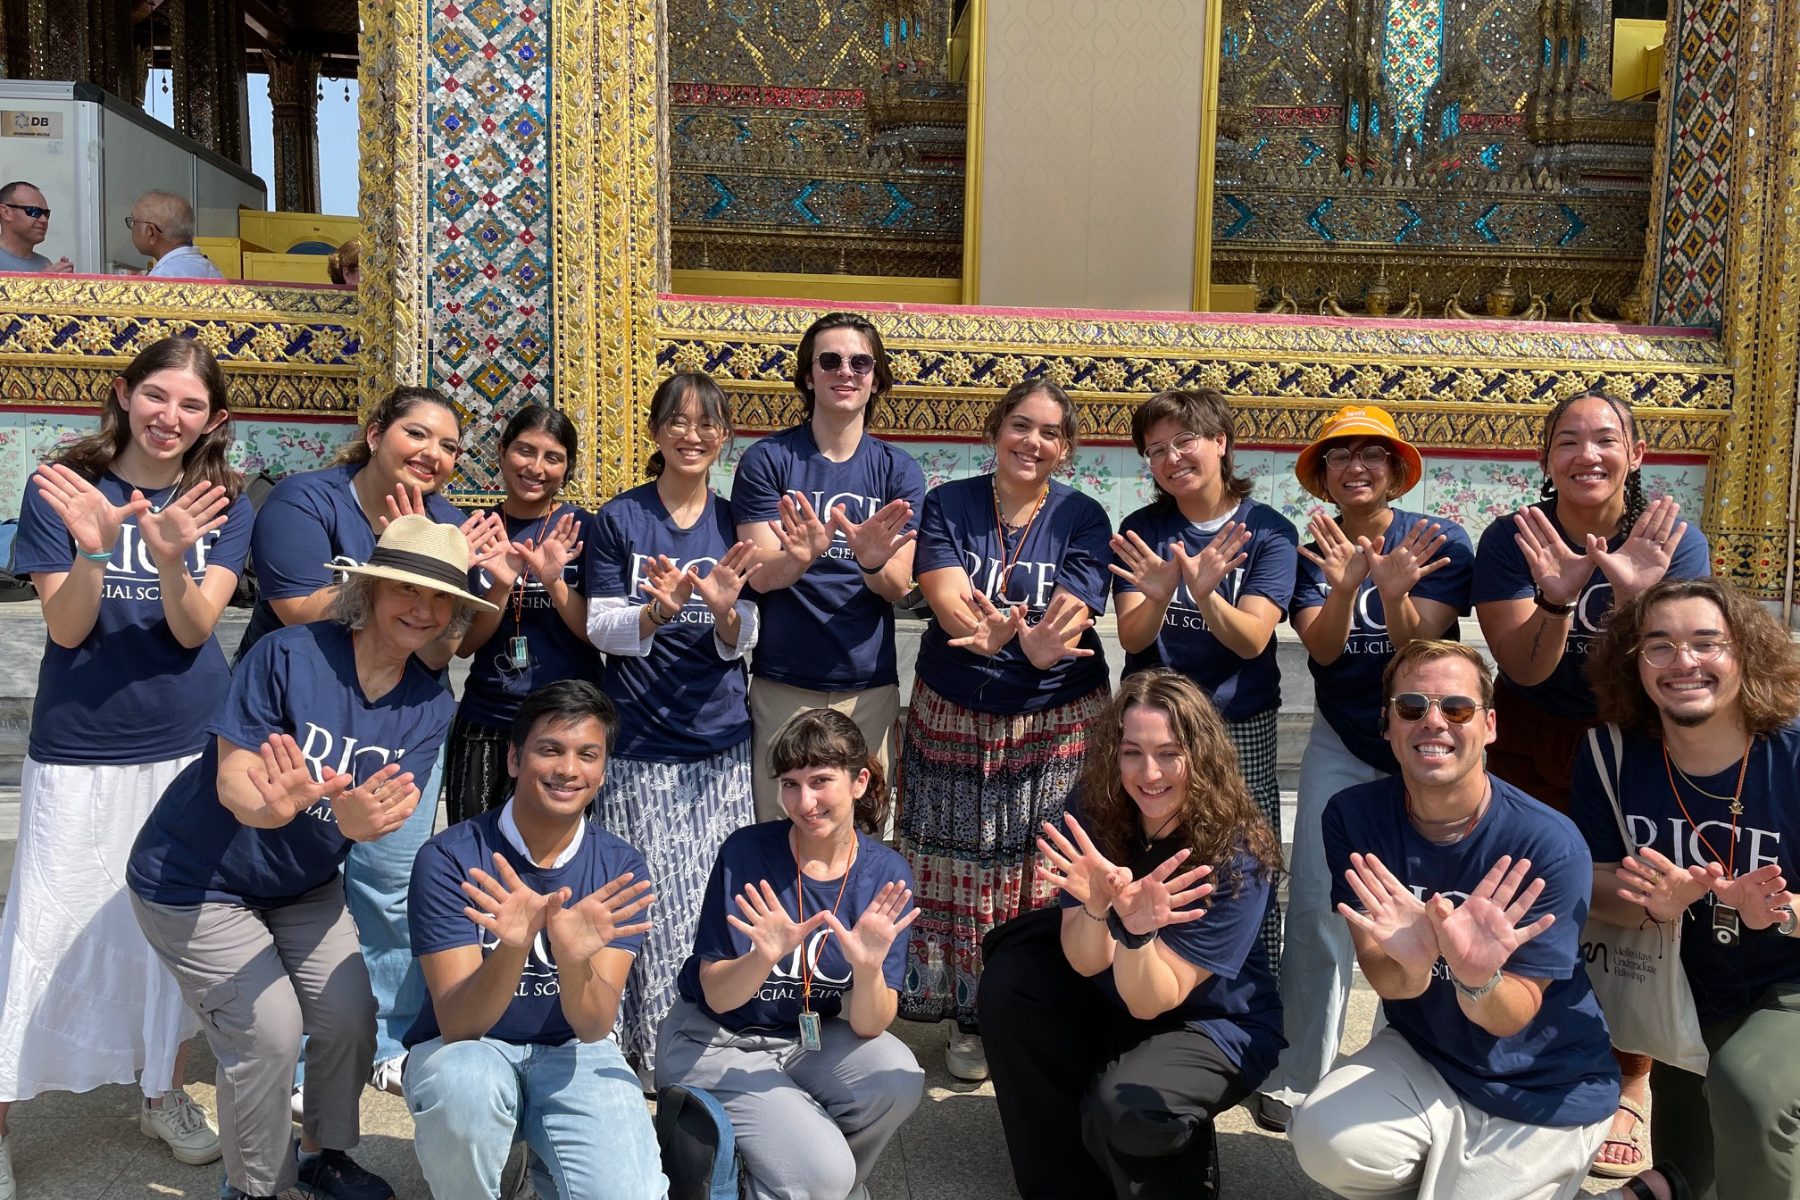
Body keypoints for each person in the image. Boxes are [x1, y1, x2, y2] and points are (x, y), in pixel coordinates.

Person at [126, 515, 493, 1200]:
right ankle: (256, 1187)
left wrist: (356, 824)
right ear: (372, 589)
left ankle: (323, 1155)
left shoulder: (427, 703)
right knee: (269, 1033)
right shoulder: (290, 655)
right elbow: (235, 782)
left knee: (350, 1014)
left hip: (299, 882)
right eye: (407, 590)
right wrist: (279, 807)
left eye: (443, 600)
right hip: (196, 877)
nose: (424, 610)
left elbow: (386, 816)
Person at [0, 338, 253, 1193]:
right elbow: (68, 629)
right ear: (123, 393)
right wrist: (97, 547)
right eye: (156, 396)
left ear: (212, 420)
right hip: (80, 745)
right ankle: (1, 1105)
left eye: (190, 406)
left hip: (185, 742)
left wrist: (177, 553)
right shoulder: (63, 489)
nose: (169, 417)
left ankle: (160, 1089)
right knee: (47, 927)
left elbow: (191, 630)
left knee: (167, 933)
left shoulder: (224, 502)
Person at [238, 385, 503, 1093]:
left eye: (450, 446)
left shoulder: (445, 523)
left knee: (389, 885)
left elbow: (438, 649)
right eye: (419, 435)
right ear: (376, 430)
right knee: (298, 883)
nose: (435, 456)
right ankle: (294, 1050)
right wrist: (402, 569)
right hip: (302, 715)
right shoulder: (307, 500)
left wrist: (456, 580)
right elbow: (297, 608)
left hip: (401, 724)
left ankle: (384, 1036)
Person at [1287, 640, 1620, 1200]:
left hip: (1542, 1081)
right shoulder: (1353, 817)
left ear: (1490, 725)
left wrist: (1476, 976)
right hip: (1429, 1054)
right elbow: (1388, 979)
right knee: (1324, 1138)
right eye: (1412, 708)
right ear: (1388, 726)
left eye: (1457, 709)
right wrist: (1411, 965)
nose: (1433, 722)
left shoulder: (1548, 844)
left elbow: (1513, 1016)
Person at [1472, 390, 1710, 1174]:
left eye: (1606, 439)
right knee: (1526, 893)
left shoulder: (1674, 540)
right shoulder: (1515, 540)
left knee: (1632, 901)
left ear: (1635, 455)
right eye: (1567, 440)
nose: (1588, 454)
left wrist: (1642, 595)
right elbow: (1525, 664)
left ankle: (1631, 1079)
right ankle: (1521, 1046)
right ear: (1546, 461)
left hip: (1636, 740)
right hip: (1533, 738)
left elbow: (1680, 668)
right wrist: (1557, 595)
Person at [981, 669, 1285, 1200]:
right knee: (1015, 978)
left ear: (1202, 754)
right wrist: (1097, 908)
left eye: (1170, 753)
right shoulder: (1096, 808)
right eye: (1132, 752)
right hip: (1119, 988)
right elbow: (1082, 961)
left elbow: (1152, 1002)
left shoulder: (1237, 853)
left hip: (1211, 1021)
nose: (1150, 773)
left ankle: (1179, 1163)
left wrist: (1139, 933)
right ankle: (1066, 1182)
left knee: (1127, 1107)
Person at [1254, 405, 1474, 1132]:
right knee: (1319, 902)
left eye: (1372, 455)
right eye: (1339, 455)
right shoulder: (1311, 546)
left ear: (1396, 467)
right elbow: (1323, 649)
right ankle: (1298, 1072)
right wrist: (1348, 584)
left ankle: (1406, 1065)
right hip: (1343, 742)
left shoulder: (1440, 541)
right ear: (1320, 475)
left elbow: (1419, 651)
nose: (1356, 467)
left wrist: (1396, 587)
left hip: (1428, 750)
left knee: (1418, 907)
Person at [897, 379, 1112, 1081]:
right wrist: (1006, 641)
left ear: (1067, 448)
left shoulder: (1082, 516)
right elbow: (948, 599)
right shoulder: (950, 503)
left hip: (1058, 720)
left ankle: (1035, 1004)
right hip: (956, 712)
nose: (1033, 443)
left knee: (1043, 865)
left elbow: (1073, 613)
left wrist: (1011, 642)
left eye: (1051, 433)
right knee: (961, 865)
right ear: (996, 430)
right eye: (1022, 426)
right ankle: (969, 1016)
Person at [1570, 576, 1800, 1200]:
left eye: (1707, 642)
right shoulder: (1609, 755)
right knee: (1692, 1176)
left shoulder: (1791, 756)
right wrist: (1652, 905)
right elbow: (1589, 887)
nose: (1684, 663)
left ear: (1744, 652)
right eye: (1659, 645)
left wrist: (1778, 911)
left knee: (1752, 1096)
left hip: (1787, 982)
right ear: (1634, 661)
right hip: (1679, 988)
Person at [403, 681, 668, 1200]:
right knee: (464, 1094)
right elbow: (458, 1023)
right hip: (467, 1049)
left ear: (603, 770)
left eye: (587, 755)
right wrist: (513, 946)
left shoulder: (621, 867)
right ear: (513, 759)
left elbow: (593, 1026)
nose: (569, 769)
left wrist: (573, 961)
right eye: (549, 749)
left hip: (572, 1050)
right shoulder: (451, 857)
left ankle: (545, 1163)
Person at [657, 709, 924, 1200]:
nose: (805, 802)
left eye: (821, 781)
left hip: (807, 1038)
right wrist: (763, 956)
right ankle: (814, 1181)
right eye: (790, 784)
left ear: (859, 780)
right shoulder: (747, 853)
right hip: (716, 1042)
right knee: (823, 1173)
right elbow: (716, 994)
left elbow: (871, 1024)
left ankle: (811, 1183)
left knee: (899, 1080)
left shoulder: (887, 872)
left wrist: (867, 971)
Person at [585, 372, 760, 1080]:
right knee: (645, 898)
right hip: (640, 739)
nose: (693, 434)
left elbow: (748, 632)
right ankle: (644, 1049)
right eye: (678, 421)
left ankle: (700, 1043)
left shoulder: (736, 522)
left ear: (724, 437)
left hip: (719, 739)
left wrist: (720, 610)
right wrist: (657, 612)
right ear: (656, 432)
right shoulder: (620, 520)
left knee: (708, 899)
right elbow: (601, 625)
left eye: (709, 423)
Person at [1109, 387, 1298, 970]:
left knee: (1247, 853)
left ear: (1220, 442)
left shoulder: (1269, 532)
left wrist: (1205, 594)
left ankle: (1251, 986)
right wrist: (1162, 595)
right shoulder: (1142, 526)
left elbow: (1253, 638)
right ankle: (1150, 971)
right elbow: (1134, 638)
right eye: (1156, 449)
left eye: (1184, 441)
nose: (1171, 459)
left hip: (1237, 719)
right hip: (1156, 724)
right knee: (1154, 849)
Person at [730, 311, 926, 823]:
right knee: (781, 828)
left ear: (876, 377)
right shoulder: (768, 459)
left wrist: (869, 560)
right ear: (808, 374)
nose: (846, 371)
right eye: (831, 360)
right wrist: (799, 556)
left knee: (862, 834)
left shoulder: (898, 470)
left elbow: (896, 585)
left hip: (868, 685)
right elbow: (758, 575)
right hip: (782, 680)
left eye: (861, 362)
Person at [449, 405, 599, 825]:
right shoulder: (478, 530)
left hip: (569, 720)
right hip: (489, 715)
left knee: (560, 850)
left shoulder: (584, 531)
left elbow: (596, 634)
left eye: (552, 458)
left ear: (567, 467)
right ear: (501, 451)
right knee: (473, 842)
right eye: (524, 451)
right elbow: (464, 646)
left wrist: (553, 581)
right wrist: (502, 583)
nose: (536, 468)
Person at [127, 192, 226, 280]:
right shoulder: (212, 270)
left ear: (151, 232)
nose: (132, 227)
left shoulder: (162, 278)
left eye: (133, 222)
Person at [0, 182, 72, 272]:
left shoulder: (44, 263)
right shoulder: (45, 269)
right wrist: (41, 281)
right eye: (34, 211)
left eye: (46, 214)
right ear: (6, 213)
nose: (44, 220)